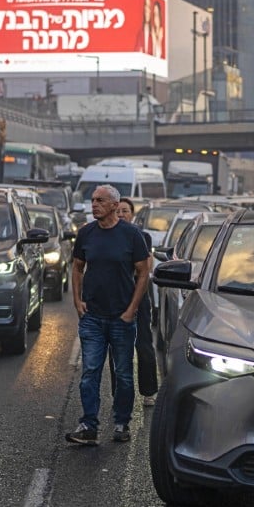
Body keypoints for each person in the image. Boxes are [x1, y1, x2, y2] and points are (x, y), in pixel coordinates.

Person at [66, 184, 150, 445]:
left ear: (115, 205)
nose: (94, 205)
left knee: (123, 373)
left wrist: (131, 310)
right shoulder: (86, 233)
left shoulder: (131, 235)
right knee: (90, 371)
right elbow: (77, 267)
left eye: (100, 201)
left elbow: (143, 272)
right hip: (92, 316)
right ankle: (89, 425)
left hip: (121, 318)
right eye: (93, 200)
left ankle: (122, 422)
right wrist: (77, 301)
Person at [116, 198, 158, 406]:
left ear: (132, 214)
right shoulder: (108, 235)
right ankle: (119, 394)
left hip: (139, 297)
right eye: (119, 211)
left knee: (144, 344)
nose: (122, 214)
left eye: (125, 211)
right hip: (115, 298)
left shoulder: (143, 237)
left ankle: (148, 391)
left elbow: (146, 267)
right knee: (116, 348)